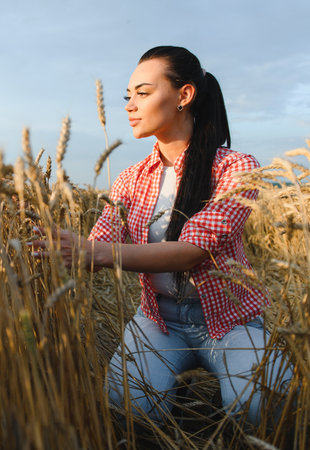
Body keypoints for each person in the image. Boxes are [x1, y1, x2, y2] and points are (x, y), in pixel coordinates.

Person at [31, 46, 291, 427]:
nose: (129, 105)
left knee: (263, 409)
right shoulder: (129, 179)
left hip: (231, 320)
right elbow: (102, 239)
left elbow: (192, 251)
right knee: (127, 409)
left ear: (184, 95)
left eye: (143, 92)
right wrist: (62, 248)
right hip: (159, 320)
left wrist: (96, 252)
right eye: (127, 95)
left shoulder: (236, 167)